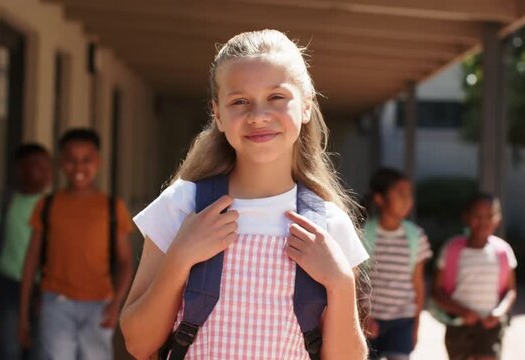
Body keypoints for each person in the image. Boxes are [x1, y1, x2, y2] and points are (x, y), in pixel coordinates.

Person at [119, 29, 369, 360]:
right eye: (239, 101)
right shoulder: (182, 207)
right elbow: (138, 344)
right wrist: (180, 258)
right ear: (218, 114)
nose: (258, 115)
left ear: (306, 105)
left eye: (277, 97)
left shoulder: (329, 225)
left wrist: (340, 283)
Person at [18, 128, 134, 360]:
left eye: (86, 160)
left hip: (99, 305)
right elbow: (31, 261)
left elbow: (125, 262)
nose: (78, 167)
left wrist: (116, 305)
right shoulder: (48, 205)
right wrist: (23, 315)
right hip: (56, 304)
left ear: (98, 162)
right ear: (61, 163)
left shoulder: (111, 207)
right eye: (71, 160)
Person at [0, 143, 53, 360]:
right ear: (20, 169)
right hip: (8, 284)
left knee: (39, 348)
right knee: (7, 347)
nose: (45, 172)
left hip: (42, 287)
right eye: (37, 166)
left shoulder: (52, 205)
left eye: (48, 167)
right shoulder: (7, 201)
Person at [431, 193, 517, 360]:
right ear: (465, 217)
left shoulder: (503, 252)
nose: (483, 221)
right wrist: (462, 311)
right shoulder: (451, 249)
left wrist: (499, 312)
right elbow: (436, 292)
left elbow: (511, 290)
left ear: (497, 219)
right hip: (458, 325)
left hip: (490, 326)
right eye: (477, 216)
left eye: (489, 216)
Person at [362, 168, 432, 360]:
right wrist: (363, 315)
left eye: (409, 194)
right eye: (400, 194)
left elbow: (418, 284)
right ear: (380, 199)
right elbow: (355, 281)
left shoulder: (416, 237)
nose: (407, 200)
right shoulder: (364, 235)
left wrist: (416, 325)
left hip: (402, 322)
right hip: (369, 322)